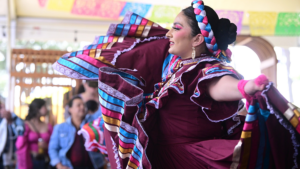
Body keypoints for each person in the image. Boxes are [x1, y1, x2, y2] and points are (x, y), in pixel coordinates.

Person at [53, 2, 300, 168]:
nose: (169, 33)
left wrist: (245, 87)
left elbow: (218, 86)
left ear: (197, 39)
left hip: (184, 159)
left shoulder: (203, 68)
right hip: (162, 154)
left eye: (176, 28)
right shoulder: (177, 65)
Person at [49, 96, 105, 169]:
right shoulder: (60, 128)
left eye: (84, 105)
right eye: (78, 105)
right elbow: (52, 149)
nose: (82, 107)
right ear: (70, 109)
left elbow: (102, 112)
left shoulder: (93, 122)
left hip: (94, 166)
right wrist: (59, 166)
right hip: (68, 167)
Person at [16, 98, 53, 169]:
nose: (47, 109)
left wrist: (47, 146)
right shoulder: (25, 125)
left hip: (44, 160)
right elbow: (19, 145)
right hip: (29, 160)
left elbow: (54, 144)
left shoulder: (48, 126)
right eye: (44, 106)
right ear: (37, 109)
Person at [0, 101, 24, 169]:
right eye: (1, 108)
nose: (2, 110)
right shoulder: (2, 122)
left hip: (10, 157)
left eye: (2, 107)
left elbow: (19, 133)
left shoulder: (14, 120)